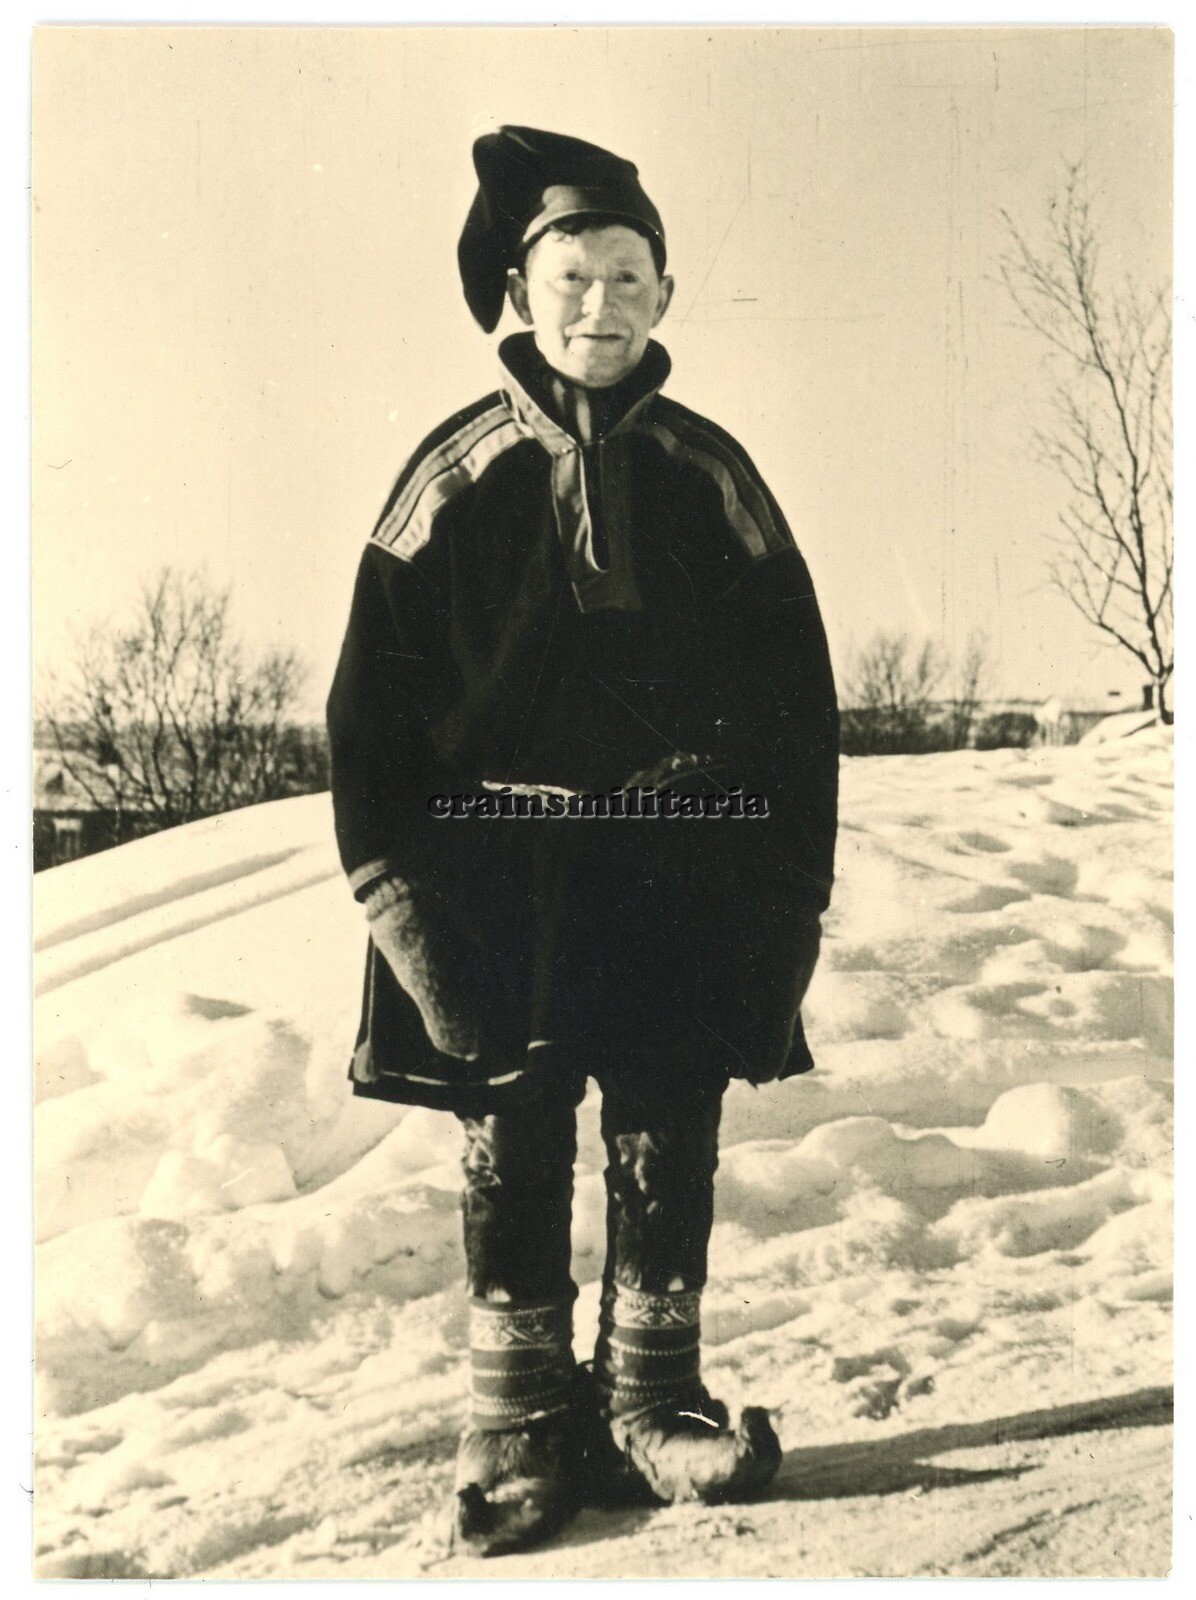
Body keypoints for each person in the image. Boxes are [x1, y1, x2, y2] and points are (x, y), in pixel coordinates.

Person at [326, 125, 839, 1556]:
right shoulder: (453, 476)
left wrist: (784, 900)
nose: (600, 304)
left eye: (629, 276)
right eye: (572, 276)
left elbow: (799, 708)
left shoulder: (711, 478)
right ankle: (517, 1423)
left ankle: (653, 1409)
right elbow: (369, 719)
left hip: (684, 864)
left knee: (669, 1117)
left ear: (667, 297)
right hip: (491, 874)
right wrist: (404, 902)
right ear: (516, 291)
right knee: (516, 1115)